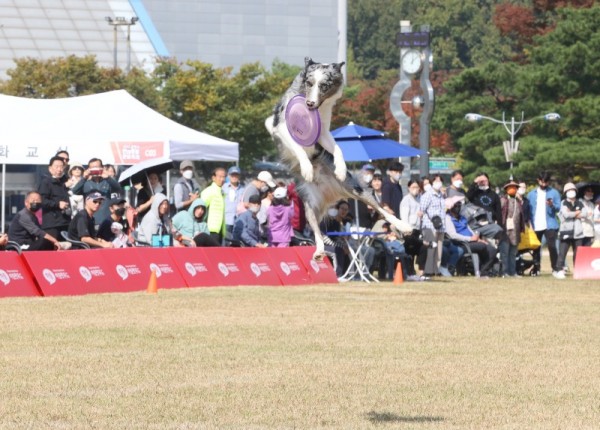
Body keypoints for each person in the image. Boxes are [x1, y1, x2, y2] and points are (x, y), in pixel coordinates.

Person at [445, 195, 497, 278]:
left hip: (473, 242)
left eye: (459, 205)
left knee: (492, 249)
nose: (458, 207)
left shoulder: (462, 218)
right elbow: (453, 235)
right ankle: (478, 271)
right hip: (461, 244)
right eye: (456, 205)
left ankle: (484, 271)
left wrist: (478, 239)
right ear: (451, 207)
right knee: (482, 246)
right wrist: (470, 239)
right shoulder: (448, 218)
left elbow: (469, 230)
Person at [527, 171, 561, 276]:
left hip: (550, 224)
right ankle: (536, 268)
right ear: (538, 180)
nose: (544, 184)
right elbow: (528, 210)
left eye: (546, 182)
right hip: (535, 224)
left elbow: (558, 208)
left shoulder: (554, 193)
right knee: (536, 247)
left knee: (552, 246)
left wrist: (551, 205)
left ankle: (555, 269)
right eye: (542, 182)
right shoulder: (531, 194)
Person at [71, 158, 122, 227]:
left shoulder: (107, 181)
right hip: (90, 219)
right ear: (88, 169)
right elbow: (75, 191)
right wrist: (84, 178)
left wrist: (107, 177)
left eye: (96, 167)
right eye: (92, 168)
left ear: (102, 168)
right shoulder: (86, 183)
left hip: (106, 219)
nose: (94, 170)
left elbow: (118, 188)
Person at [554, 183, 585, 279]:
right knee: (563, 251)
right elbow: (566, 214)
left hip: (578, 232)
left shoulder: (580, 202)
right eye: (568, 190)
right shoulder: (563, 202)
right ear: (565, 192)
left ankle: (578, 270)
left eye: (572, 189)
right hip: (566, 231)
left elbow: (585, 213)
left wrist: (572, 213)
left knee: (578, 253)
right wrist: (576, 212)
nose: (571, 192)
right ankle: (559, 270)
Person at [37, 156, 72, 240]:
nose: (59, 169)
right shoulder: (46, 182)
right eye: (56, 167)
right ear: (50, 168)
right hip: (52, 224)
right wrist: (57, 204)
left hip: (65, 222)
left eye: (61, 167)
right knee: (53, 249)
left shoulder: (65, 182)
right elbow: (42, 201)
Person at [400, 179, 427, 278]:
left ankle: (421, 272)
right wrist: (406, 230)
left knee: (423, 248)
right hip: (408, 230)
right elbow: (404, 217)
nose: (415, 189)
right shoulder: (406, 200)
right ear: (409, 188)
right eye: (413, 187)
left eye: (417, 187)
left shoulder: (420, 199)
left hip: (418, 230)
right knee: (413, 245)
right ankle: (409, 271)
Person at [420, 174, 446, 276]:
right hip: (430, 226)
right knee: (431, 249)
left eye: (440, 181)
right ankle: (428, 271)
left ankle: (436, 270)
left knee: (439, 250)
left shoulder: (441, 195)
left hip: (441, 226)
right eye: (436, 181)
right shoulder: (427, 195)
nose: (438, 183)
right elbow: (422, 210)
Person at [499, 180, 525, 277]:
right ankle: (504, 272)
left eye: (514, 187)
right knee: (504, 253)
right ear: (506, 189)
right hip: (505, 231)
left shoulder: (518, 201)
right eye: (510, 187)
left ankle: (512, 272)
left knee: (513, 253)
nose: (513, 189)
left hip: (516, 231)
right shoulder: (502, 200)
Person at [200, 167, 227, 244]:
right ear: (213, 178)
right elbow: (201, 208)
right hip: (210, 229)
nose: (222, 179)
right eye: (220, 177)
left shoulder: (222, 192)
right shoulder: (209, 191)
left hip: (220, 229)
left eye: (224, 177)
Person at [349, 163, 375, 228]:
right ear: (362, 173)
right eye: (367, 173)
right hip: (355, 221)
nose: (369, 175)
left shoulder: (371, 188)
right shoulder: (354, 185)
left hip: (367, 220)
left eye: (371, 173)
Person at [222, 166, 245, 241]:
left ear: (239, 176)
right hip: (227, 220)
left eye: (236, 175)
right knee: (226, 243)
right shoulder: (223, 188)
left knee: (237, 243)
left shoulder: (243, 189)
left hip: (239, 220)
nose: (234, 177)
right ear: (228, 175)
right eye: (232, 175)